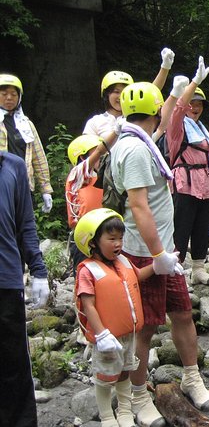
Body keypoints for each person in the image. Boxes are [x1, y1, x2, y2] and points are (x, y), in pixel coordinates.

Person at [111, 75, 209, 426]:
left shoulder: (140, 139)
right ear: (151, 111)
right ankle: (138, 396)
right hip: (146, 252)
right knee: (145, 327)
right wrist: (159, 256)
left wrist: (179, 88)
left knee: (183, 312)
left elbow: (166, 111)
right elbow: (139, 206)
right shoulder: (136, 149)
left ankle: (191, 376)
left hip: (162, 250)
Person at [74, 208, 154, 427]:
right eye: (111, 239)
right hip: (107, 336)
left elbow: (138, 275)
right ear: (92, 242)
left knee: (125, 370)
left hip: (128, 333)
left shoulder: (124, 262)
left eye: (120, 238)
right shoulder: (87, 271)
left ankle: (125, 412)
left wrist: (157, 266)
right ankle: (107, 416)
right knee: (105, 377)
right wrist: (101, 334)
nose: (118, 243)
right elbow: (88, 305)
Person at [0, 150, 49, 426]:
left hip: (6, 278)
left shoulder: (13, 166)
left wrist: (39, 269)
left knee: (13, 366)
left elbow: (26, 223)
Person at [166, 65, 209, 286]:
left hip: (205, 184)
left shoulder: (202, 128)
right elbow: (176, 108)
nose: (195, 107)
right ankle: (174, 269)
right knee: (181, 227)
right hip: (184, 183)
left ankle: (198, 269)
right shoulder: (177, 127)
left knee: (203, 226)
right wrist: (194, 83)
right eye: (192, 103)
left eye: (199, 104)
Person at [84, 48, 173, 138]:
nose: (120, 96)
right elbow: (89, 149)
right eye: (116, 91)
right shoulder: (95, 122)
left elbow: (151, 91)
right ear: (107, 94)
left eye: (124, 92)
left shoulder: (135, 119)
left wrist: (165, 67)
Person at [66, 132, 118, 272]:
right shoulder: (76, 177)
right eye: (98, 154)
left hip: (108, 235)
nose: (103, 157)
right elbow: (101, 150)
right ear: (83, 157)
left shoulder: (106, 179)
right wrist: (115, 132)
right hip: (85, 239)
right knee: (86, 281)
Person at [0, 74, 53, 213]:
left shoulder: (25, 124)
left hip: (23, 185)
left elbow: (39, 157)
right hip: (2, 185)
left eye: (13, 94)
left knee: (23, 228)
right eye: (4, 94)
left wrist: (45, 189)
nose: (9, 98)